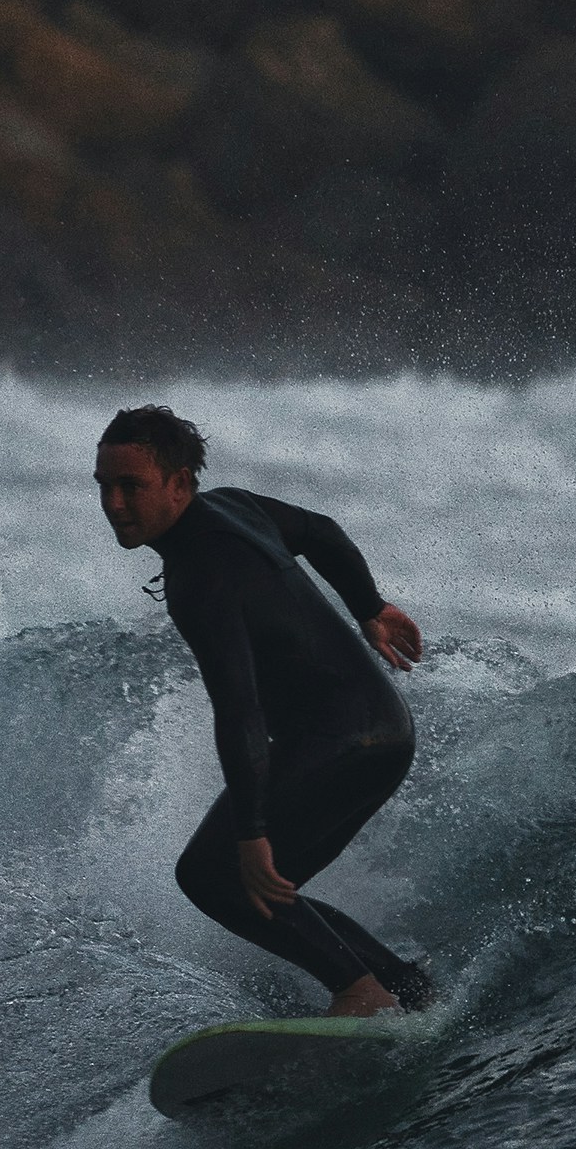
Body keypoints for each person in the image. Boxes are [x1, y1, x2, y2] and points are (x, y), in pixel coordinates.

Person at [93, 403, 432, 1020]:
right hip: (385, 732)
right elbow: (320, 531)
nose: (115, 502)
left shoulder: (199, 572)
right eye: (105, 486)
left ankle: (361, 993)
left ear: (178, 485)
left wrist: (250, 832)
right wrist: (370, 606)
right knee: (265, 894)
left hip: (337, 742)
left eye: (131, 486)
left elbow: (239, 706)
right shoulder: (234, 506)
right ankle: (409, 990)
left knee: (213, 876)